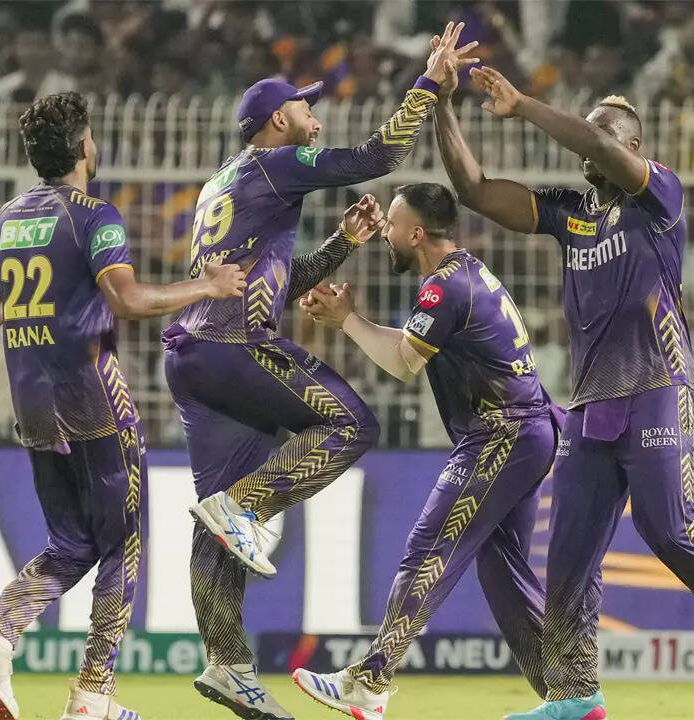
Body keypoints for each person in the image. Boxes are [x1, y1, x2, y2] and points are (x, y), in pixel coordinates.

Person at [436, 63, 694, 720]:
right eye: (592, 133)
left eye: (607, 135)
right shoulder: (571, 214)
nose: (592, 145)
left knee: (668, 528)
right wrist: (444, 104)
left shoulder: (660, 197)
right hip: (592, 404)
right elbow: (474, 189)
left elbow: (594, 143)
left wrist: (524, 105)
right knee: (568, 555)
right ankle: (576, 696)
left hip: (659, 385)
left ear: (634, 147)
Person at [162, 22, 479, 720]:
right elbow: (380, 153)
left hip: (193, 355)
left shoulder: (224, 182)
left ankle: (227, 664)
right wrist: (429, 83)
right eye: (304, 106)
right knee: (352, 423)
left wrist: (339, 245)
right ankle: (246, 506)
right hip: (235, 344)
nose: (315, 114)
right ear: (278, 120)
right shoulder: (279, 163)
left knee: (213, 528)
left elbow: (270, 281)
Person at [0, 91, 246, 720]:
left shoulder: (6, 220)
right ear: (83, 147)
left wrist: (40, 302)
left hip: (31, 399)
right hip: (91, 394)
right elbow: (129, 300)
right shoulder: (94, 216)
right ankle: (93, 693)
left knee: (72, 542)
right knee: (124, 539)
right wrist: (210, 284)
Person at [292, 183, 554, 720]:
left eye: (391, 224)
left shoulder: (443, 288)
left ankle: (371, 681)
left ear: (415, 233)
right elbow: (413, 346)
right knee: (502, 571)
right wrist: (349, 320)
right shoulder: (464, 274)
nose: (384, 234)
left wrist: (348, 322)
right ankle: (572, 693)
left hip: (500, 435)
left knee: (429, 548)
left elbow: (404, 363)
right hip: (526, 432)